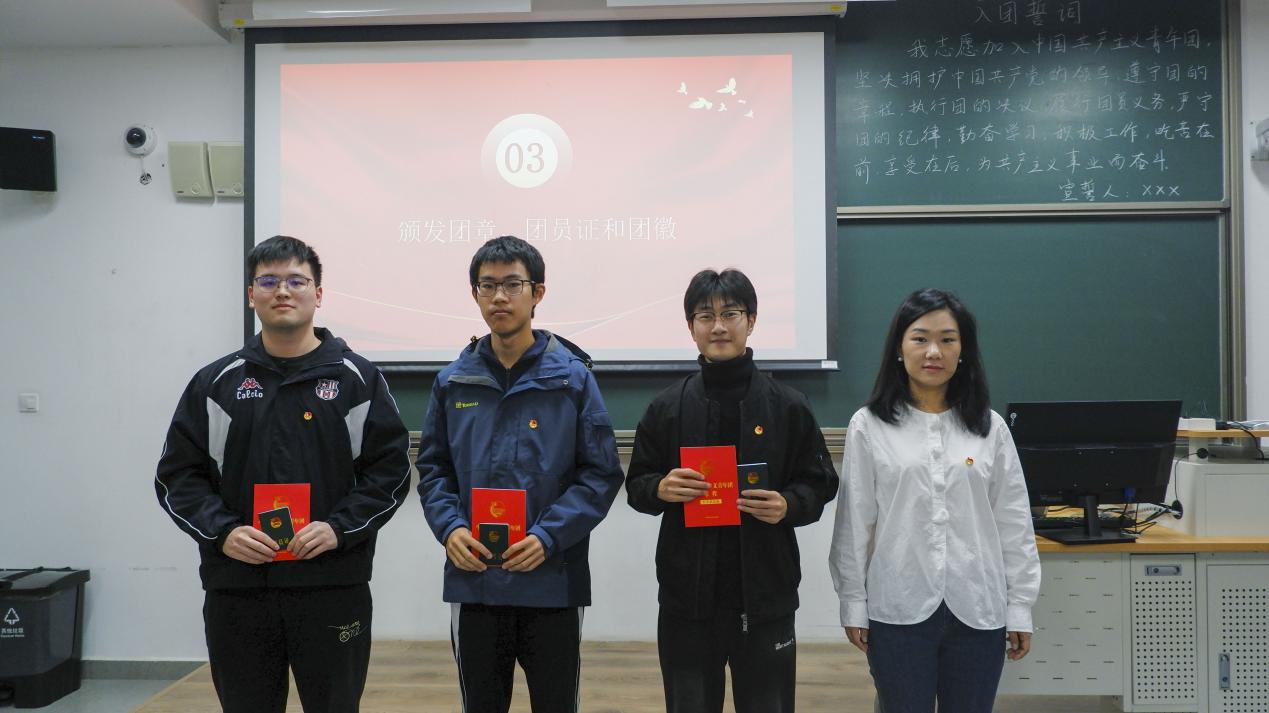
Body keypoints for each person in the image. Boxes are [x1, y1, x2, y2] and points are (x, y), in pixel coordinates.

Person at [155, 235, 412, 713]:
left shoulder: (358, 380)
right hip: (239, 587)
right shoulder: (215, 383)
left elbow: (390, 473)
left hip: (333, 584)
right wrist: (224, 532)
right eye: (269, 281)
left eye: (297, 280)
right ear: (251, 294)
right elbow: (179, 476)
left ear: (319, 293)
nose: (282, 292)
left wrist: (338, 529)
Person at [415, 235, 623, 713]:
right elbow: (433, 470)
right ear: (475, 294)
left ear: (538, 292)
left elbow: (600, 474)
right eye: (487, 286)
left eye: (512, 284)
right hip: (475, 580)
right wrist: (450, 529)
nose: (499, 297)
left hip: (553, 580)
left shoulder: (573, 379)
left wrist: (548, 536)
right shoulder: (452, 381)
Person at [625, 268, 839, 713]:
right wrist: (661, 487)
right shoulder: (666, 407)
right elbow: (637, 486)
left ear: (751, 321)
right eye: (705, 316)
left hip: (766, 594)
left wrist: (788, 504)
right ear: (691, 327)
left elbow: (820, 483)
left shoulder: (788, 405)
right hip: (687, 598)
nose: (718, 326)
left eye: (731, 314)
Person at [828, 287, 1041, 713]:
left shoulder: (990, 428)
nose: (933, 352)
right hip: (898, 605)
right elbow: (854, 522)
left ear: (963, 351)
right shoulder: (869, 425)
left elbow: (1014, 522)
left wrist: (1020, 605)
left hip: (978, 606)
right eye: (920, 338)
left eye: (947, 339)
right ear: (899, 348)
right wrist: (852, 602)